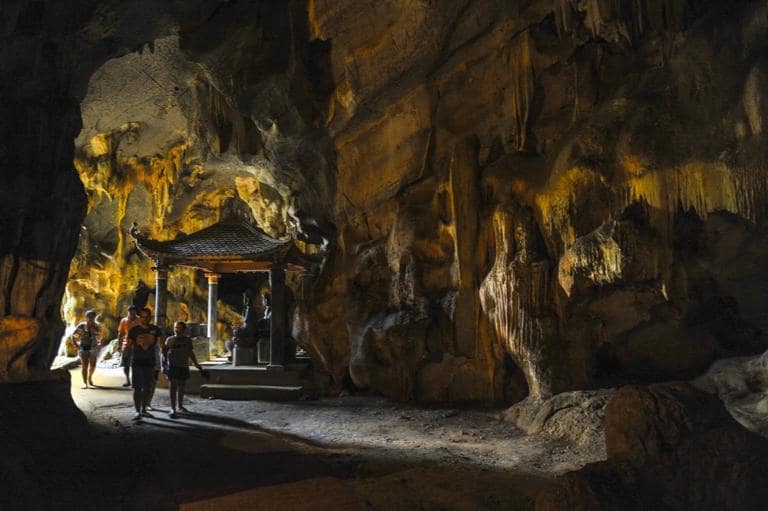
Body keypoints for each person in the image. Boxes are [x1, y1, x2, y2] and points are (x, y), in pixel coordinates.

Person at [125, 307, 163, 420]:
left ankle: (144, 409)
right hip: (137, 361)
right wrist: (126, 357)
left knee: (147, 387)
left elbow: (161, 345)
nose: (144, 319)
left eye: (146, 317)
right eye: (142, 317)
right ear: (139, 317)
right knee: (137, 388)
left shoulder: (155, 330)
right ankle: (137, 411)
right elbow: (129, 345)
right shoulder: (134, 330)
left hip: (150, 362)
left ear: (150, 318)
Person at [163, 321, 207, 418]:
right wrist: (164, 366)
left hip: (183, 365)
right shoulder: (169, 340)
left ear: (183, 329)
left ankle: (180, 405)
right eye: (175, 327)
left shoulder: (187, 340)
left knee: (181, 386)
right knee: (173, 387)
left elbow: (190, 352)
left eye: (179, 327)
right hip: (172, 366)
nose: (177, 329)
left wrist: (196, 364)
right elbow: (164, 354)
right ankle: (173, 408)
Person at [73, 310, 102, 389]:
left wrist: (94, 333)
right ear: (86, 317)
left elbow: (100, 335)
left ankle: (90, 377)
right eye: (88, 317)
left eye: (92, 317)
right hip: (83, 347)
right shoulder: (82, 326)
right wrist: (76, 344)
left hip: (93, 347)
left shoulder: (97, 325)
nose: (90, 318)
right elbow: (74, 335)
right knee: (84, 366)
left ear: (94, 317)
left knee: (93, 365)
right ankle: (85, 382)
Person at [116, 304, 140, 387]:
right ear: (128, 311)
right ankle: (127, 380)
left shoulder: (140, 320)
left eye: (133, 311)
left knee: (136, 363)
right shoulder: (124, 320)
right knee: (126, 363)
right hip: (126, 344)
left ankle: (135, 380)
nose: (132, 313)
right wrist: (119, 345)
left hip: (137, 344)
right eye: (130, 311)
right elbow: (121, 333)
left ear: (135, 311)